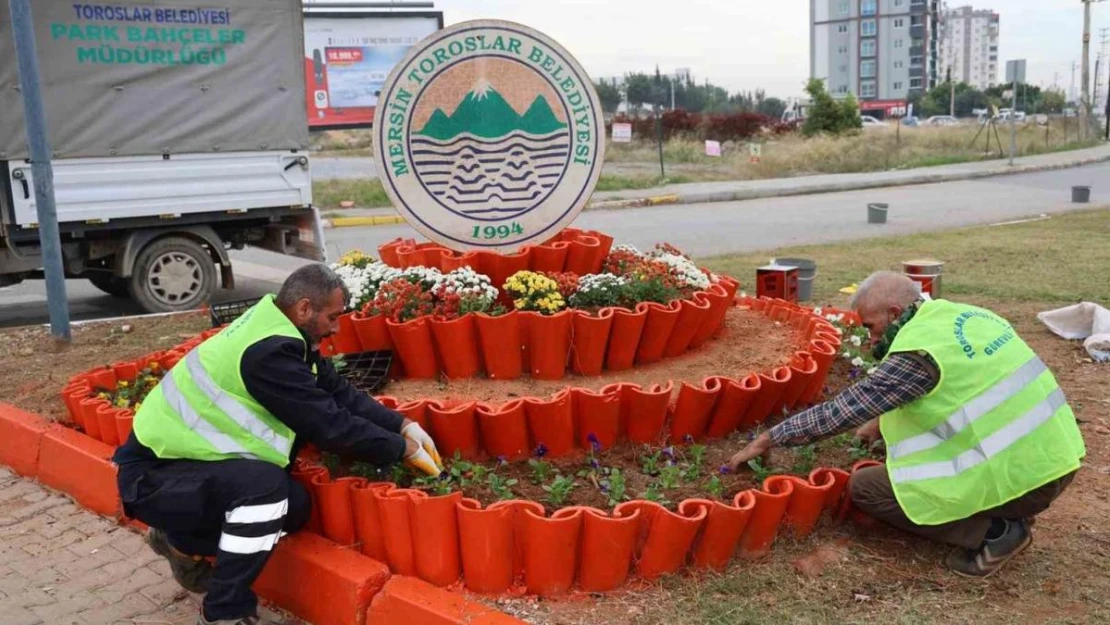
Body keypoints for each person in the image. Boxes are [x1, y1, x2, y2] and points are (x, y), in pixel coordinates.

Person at [114, 264, 444, 625]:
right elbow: (328, 425)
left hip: (187, 466)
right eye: (332, 317)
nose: (337, 327)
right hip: (154, 476)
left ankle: (180, 540)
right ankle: (224, 612)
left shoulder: (282, 330)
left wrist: (402, 424)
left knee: (294, 506)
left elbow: (336, 391)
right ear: (304, 308)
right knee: (267, 492)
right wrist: (401, 450)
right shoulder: (269, 354)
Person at [728, 271, 1085, 577]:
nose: (869, 338)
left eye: (870, 327)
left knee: (866, 487)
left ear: (895, 312)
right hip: (1055, 458)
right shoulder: (956, 316)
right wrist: (882, 422)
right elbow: (962, 391)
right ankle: (1007, 511)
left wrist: (771, 438)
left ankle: (995, 531)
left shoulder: (918, 353)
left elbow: (842, 411)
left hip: (1022, 479)